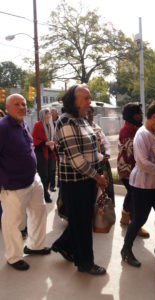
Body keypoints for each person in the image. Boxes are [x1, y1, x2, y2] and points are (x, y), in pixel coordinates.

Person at [52, 84, 108, 275]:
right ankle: (85, 264)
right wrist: (98, 177)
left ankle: (63, 246)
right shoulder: (66, 122)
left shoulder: (82, 120)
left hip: (87, 180)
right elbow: (77, 161)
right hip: (75, 183)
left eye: (89, 98)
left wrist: (102, 160)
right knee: (83, 225)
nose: (89, 102)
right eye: (85, 98)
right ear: (73, 100)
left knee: (81, 220)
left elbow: (91, 151)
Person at [0, 94, 51, 271]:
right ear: (7, 108)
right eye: (16, 104)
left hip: (33, 180)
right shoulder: (3, 127)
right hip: (13, 186)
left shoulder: (23, 124)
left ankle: (35, 246)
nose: (21, 107)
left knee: (39, 212)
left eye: (23, 104)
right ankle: (14, 257)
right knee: (12, 223)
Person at [121, 102, 155, 267]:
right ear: (153, 117)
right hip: (142, 185)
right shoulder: (142, 134)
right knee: (139, 219)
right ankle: (126, 250)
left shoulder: (154, 133)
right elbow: (143, 163)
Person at [117, 103, 149, 238]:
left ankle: (125, 215)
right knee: (137, 197)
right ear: (132, 115)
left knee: (132, 193)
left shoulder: (134, 127)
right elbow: (134, 152)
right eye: (138, 112)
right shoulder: (129, 129)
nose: (141, 115)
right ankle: (136, 224)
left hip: (130, 169)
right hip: (128, 169)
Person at [87, 106, 115, 204]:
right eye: (87, 113)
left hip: (103, 162)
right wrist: (102, 157)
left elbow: (106, 142)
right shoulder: (84, 129)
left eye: (91, 113)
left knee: (107, 186)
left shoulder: (96, 127)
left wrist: (107, 154)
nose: (90, 115)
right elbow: (89, 149)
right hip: (93, 163)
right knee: (95, 189)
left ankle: (106, 209)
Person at [32, 108, 57, 203]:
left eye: (49, 114)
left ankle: (45, 192)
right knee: (44, 175)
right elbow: (34, 139)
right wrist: (45, 143)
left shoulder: (49, 125)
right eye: (46, 114)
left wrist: (52, 143)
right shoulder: (38, 124)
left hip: (50, 151)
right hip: (41, 153)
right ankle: (45, 195)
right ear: (42, 115)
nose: (48, 115)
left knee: (50, 173)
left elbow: (51, 137)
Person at [49, 108, 59, 191]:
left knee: (60, 166)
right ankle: (52, 185)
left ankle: (59, 183)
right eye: (51, 113)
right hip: (51, 149)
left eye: (53, 113)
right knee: (52, 167)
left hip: (59, 148)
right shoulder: (48, 124)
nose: (51, 114)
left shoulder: (58, 122)